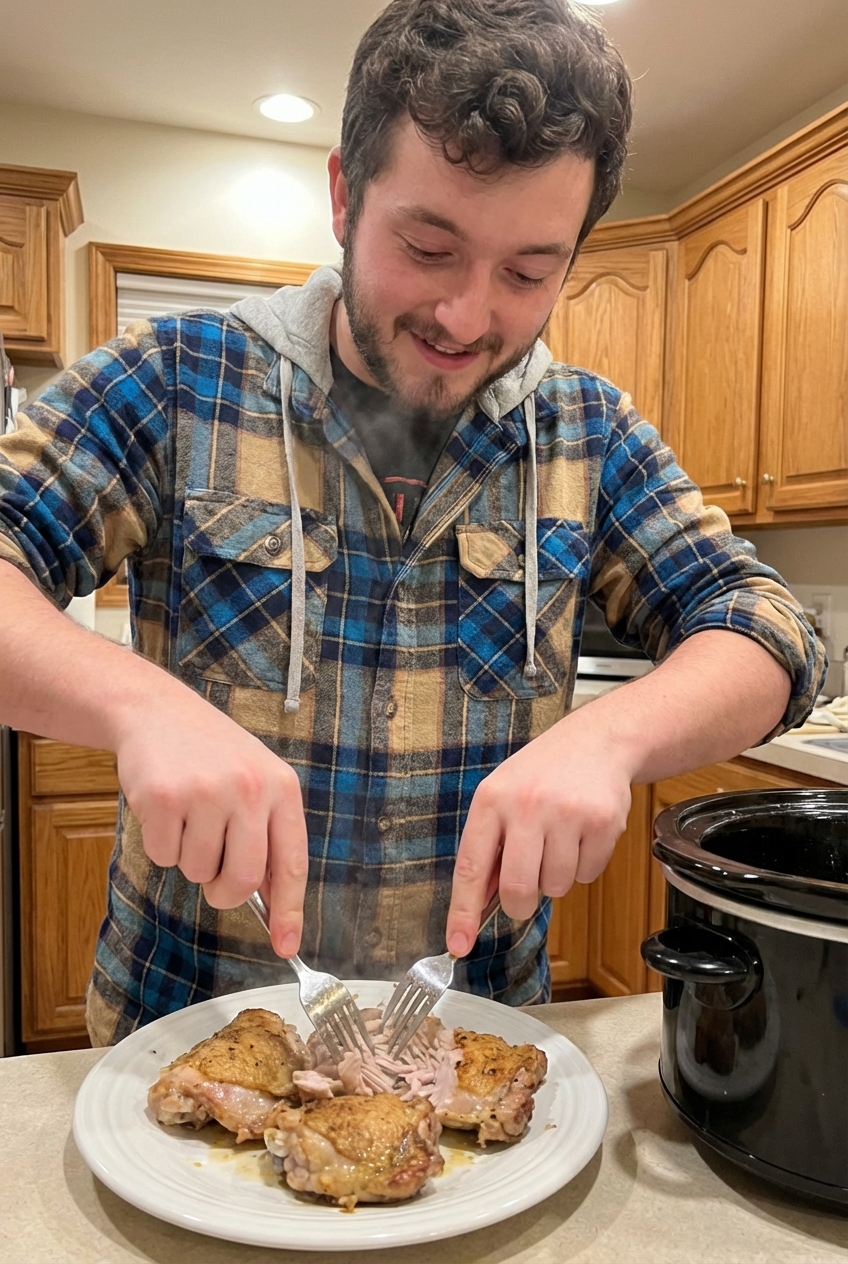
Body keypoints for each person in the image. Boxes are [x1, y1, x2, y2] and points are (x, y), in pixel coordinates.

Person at [0, 0, 824, 1046]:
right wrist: (137, 706)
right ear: (345, 196)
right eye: (428, 247)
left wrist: (609, 738)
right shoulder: (174, 379)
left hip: (474, 1050)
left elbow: (772, 631)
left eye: (528, 272)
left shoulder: (586, 431)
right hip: (185, 1037)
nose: (466, 317)